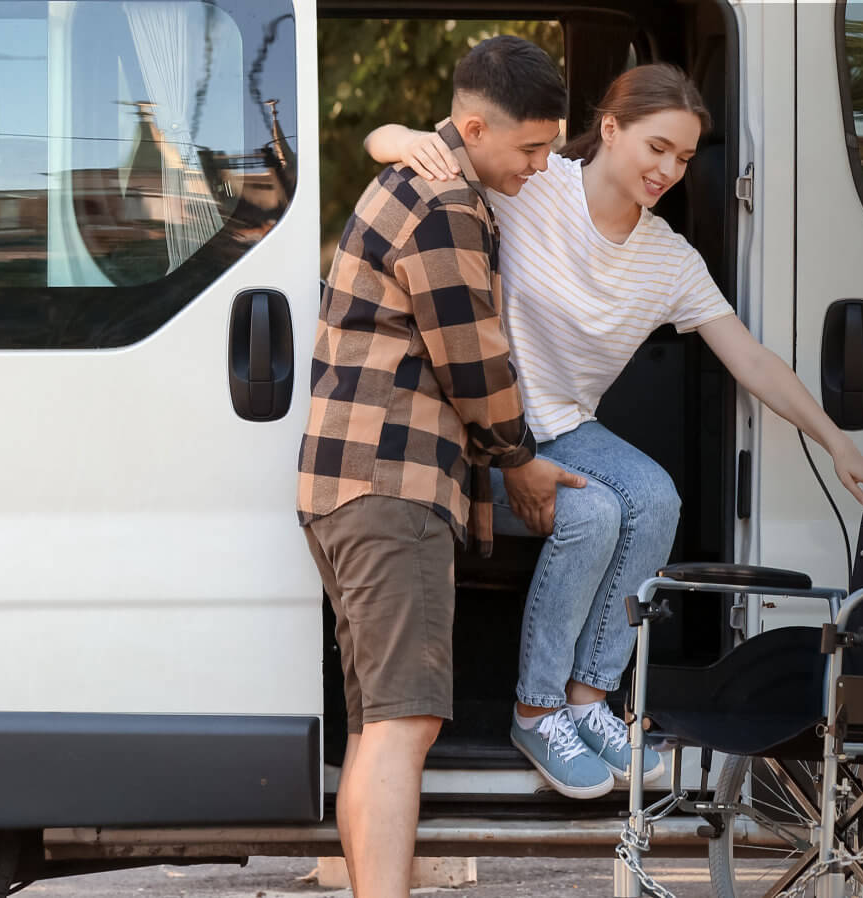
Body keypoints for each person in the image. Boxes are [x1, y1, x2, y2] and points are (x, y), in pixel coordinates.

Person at [364, 62, 863, 800]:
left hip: (563, 428)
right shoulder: (535, 185)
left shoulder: (669, 259)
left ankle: (590, 700)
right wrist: (399, 136)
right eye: (657, 147)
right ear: (611, 128)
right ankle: (536, 709)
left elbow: (751, 358)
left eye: (684, 158)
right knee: (591, 513)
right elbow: (411, 142)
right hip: (480, 433)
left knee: (655, 497)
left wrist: (840, 444)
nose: (668, 170)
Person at [299, 36, 585, 898]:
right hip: (395, 485)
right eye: (531, 148)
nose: (540, 166)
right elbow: (473, 362)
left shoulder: (418, 178)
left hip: (346, 487)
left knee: (376, 728)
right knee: (404, 726)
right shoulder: (445, 203)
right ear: (473, 127)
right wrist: (521, 463)